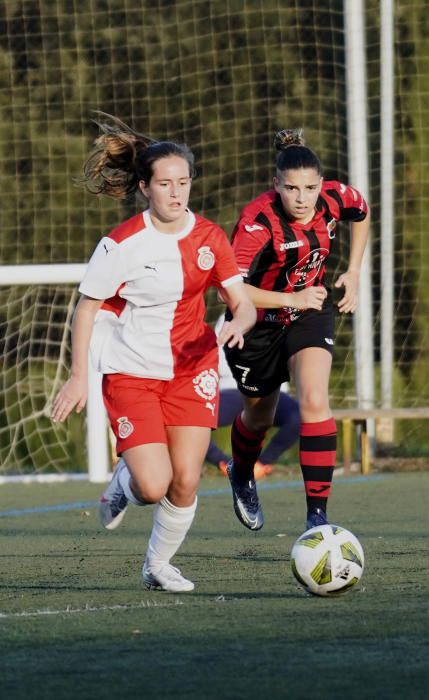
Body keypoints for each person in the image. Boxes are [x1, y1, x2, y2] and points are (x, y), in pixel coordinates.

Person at [51, 113, 256, 592]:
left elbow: (241, 304)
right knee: (152, 485)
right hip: (132, 373)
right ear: (145, 187)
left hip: (193, 369)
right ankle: (124, 483)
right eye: (165, 183)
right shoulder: (121, 244)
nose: (176, 192)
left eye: (183, 182)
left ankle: (157, 567)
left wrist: (237, 324)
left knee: (186, 479)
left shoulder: (210, 237)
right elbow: (86, 310)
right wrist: (80, 376)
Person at [223, 128, 370, 532]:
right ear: (276, 185)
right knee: (259, 417)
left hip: (310, 313)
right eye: (291, 188)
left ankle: (317, 518)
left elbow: (362, 212)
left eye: (309, 188)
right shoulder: (257, 221)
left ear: (321, 185)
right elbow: (232, 287)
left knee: (314, 399)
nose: (302, 198)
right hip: (255, 324)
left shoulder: (336, 198)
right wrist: (291, 299)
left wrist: (354, 271)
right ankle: (242, 471)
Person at [205, 316, 300, 478]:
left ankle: (261, 464)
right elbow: (216, 358)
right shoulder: (230, 315)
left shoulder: (284, 314)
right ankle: (225, 464)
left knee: (301, 415)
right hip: (233, 389)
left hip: (273, 391)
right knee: (193, 421)